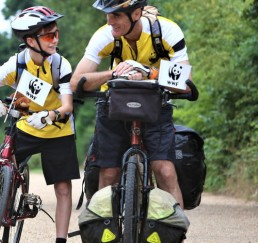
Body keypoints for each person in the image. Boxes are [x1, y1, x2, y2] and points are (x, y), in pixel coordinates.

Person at [0, 6, 80, 243]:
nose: (56, 40)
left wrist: (48, 115)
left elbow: (67, 107)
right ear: (31, 40)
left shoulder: (61, 65)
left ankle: (61, 239)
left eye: (56, 34)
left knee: (63, 188)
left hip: (57, 130)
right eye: (50, 36)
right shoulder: (18, 63)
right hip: (26, 126)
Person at [70, 0, 195, 208]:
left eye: (116, 15)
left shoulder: (167, 31)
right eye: (107, 15)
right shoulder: (105, 34)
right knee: (108, 172)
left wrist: (149, 72)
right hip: (114, 103)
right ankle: (103, 232)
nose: (110, 21)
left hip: (155, 103)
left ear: (136, 14)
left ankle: (177, 233)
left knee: (164, 169)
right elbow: (76, 82)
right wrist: (116, 73)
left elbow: (187, 84)